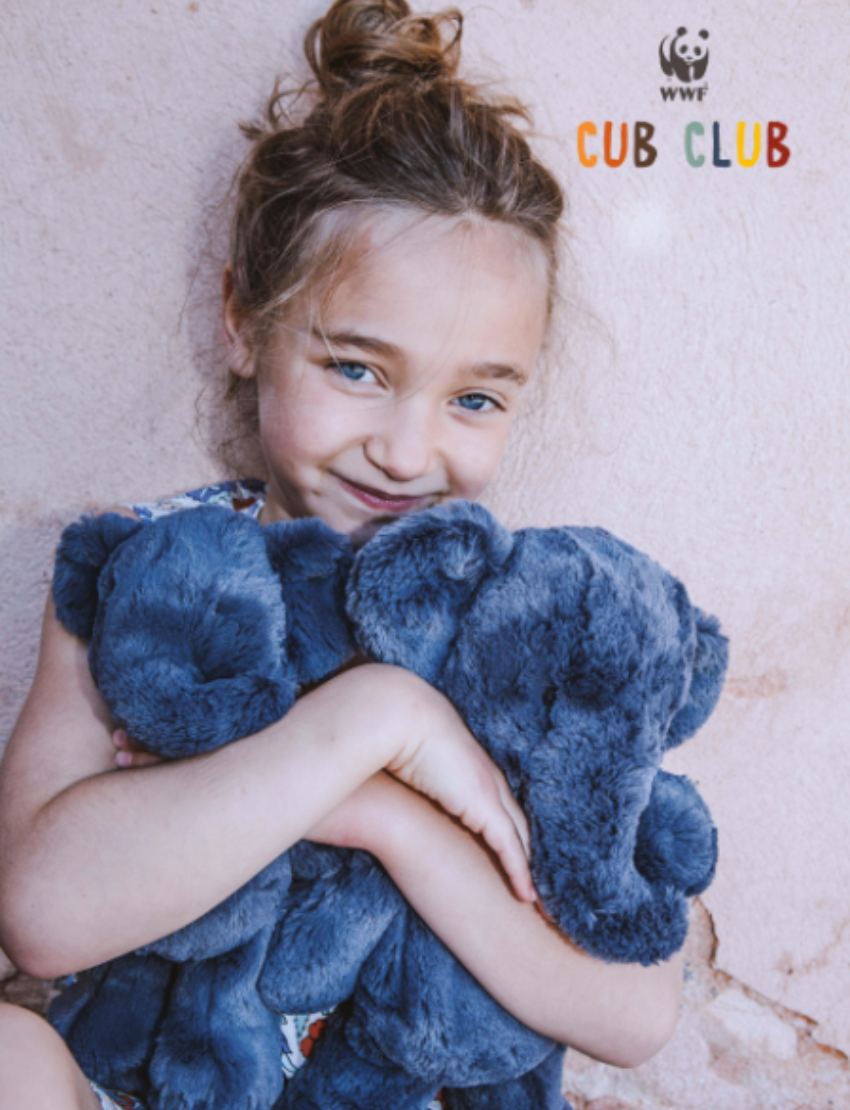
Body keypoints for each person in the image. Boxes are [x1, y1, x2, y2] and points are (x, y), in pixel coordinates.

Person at [0, 1, 684, 1107]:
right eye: (356, 369)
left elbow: (635, 1012)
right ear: (242, 321)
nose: (406, 450)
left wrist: (374, 810)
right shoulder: (140, 571)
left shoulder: (537, 623)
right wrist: (375, 723)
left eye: (471, 397)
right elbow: (40, 914)